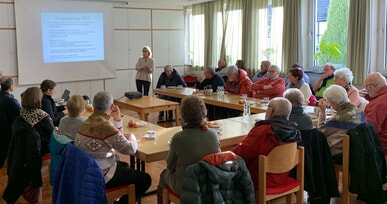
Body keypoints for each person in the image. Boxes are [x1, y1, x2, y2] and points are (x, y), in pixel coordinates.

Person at [75, 91, 151, 202]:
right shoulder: (105, 125)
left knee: (125, 166)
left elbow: (117, 139)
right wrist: (132, 136)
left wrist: (117, 118)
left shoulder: (88, 121)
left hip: (86, 171)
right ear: (111, 106)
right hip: (100, 174)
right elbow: (130, 149)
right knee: (145, 179)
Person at [158, 95, 220, 200]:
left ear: (183, 114)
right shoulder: (213, 134)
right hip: (209, 184)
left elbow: (170, 166)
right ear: (203, 112)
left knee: (164, 175)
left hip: (186, 187)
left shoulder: (178, 138)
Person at [232, 97, 301, 190]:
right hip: (282, 177)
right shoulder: (293, 131)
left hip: (258, 178)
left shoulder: (265, 130)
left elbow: (241, 153)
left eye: (268, 107)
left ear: (271, 110)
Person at [2, 87, 54, 204]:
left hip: (23, 151)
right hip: (38, 149)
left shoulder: (22, 113)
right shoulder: (42, 116)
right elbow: (53, 135)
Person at [317, 85, 366, 158]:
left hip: (339, 153)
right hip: (357, 150)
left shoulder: (339, 119)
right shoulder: (359, 111)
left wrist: (322, 112)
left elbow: (319, 133)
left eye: (329, 103)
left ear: (334, 103)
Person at [49, 95, 87, 185]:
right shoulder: (85, 123)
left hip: (64, 154)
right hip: (79, 155)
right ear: (83, 109)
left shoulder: (62, 120)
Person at [0, 77, 21, 167]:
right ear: (11, 87)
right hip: (9, 131)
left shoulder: (2, 96)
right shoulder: (10, 101)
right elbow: (23, 113)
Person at [364, 72, 387, 151]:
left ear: (375, 86)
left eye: (367, 87)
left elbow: (370, 129)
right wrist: (369, 96)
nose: (366, 90)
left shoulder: (379, 103)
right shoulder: (382, 98)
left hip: (382, 145)